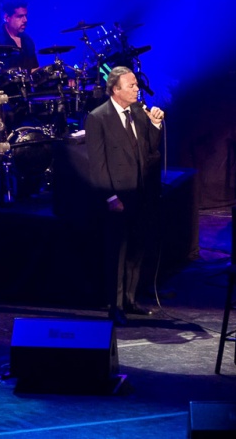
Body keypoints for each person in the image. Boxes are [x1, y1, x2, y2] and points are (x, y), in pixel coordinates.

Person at [86, 66, 164, 325]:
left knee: (137, 249)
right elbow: (98, 164)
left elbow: (149, 149)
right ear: (115, 89)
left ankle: (131, 299)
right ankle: (115, 305)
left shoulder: (139, 114)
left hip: (141, 193)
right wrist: (110, 197)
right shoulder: (99, 118)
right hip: (119, 196)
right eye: (130, 85)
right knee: (117, 253)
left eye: (135, 84)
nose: (136, 88)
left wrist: (154, 124)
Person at [0, 0, 39, 77]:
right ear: (7, 18)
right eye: (20, 16)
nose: (25, 20)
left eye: (25, 16)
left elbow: (34, 68)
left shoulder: (28, 41)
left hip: (27, 88)